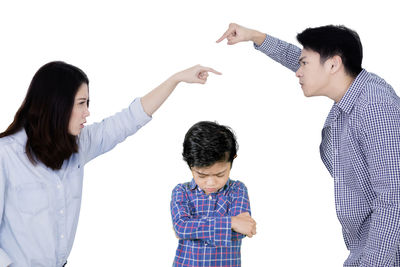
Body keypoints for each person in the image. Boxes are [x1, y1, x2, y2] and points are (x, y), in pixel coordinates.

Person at [0, 61, 220, 267]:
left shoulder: (77, 145)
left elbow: (129, 119)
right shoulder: (5, 155)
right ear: (56, 105)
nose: (87, 112)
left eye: (87, 103)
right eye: (81, 103)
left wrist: (176, 79)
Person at [217, 23, 400, 266]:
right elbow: (299, 58)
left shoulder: (375, 108)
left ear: (334, 64)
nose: (298, 71)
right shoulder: (353, 88)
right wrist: (256, 37)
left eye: (304, 64)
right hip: (367, 250)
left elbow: (393, 197)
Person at [170, 121, 256, 267]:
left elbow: (240, 232)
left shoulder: (237, 190)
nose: (211, 183)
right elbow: (181, 227)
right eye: (202, 176)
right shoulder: (181, 191)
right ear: (190, 165)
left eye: (220, 174)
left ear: (232, 159)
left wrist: (193, 231)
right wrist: (232, 222)